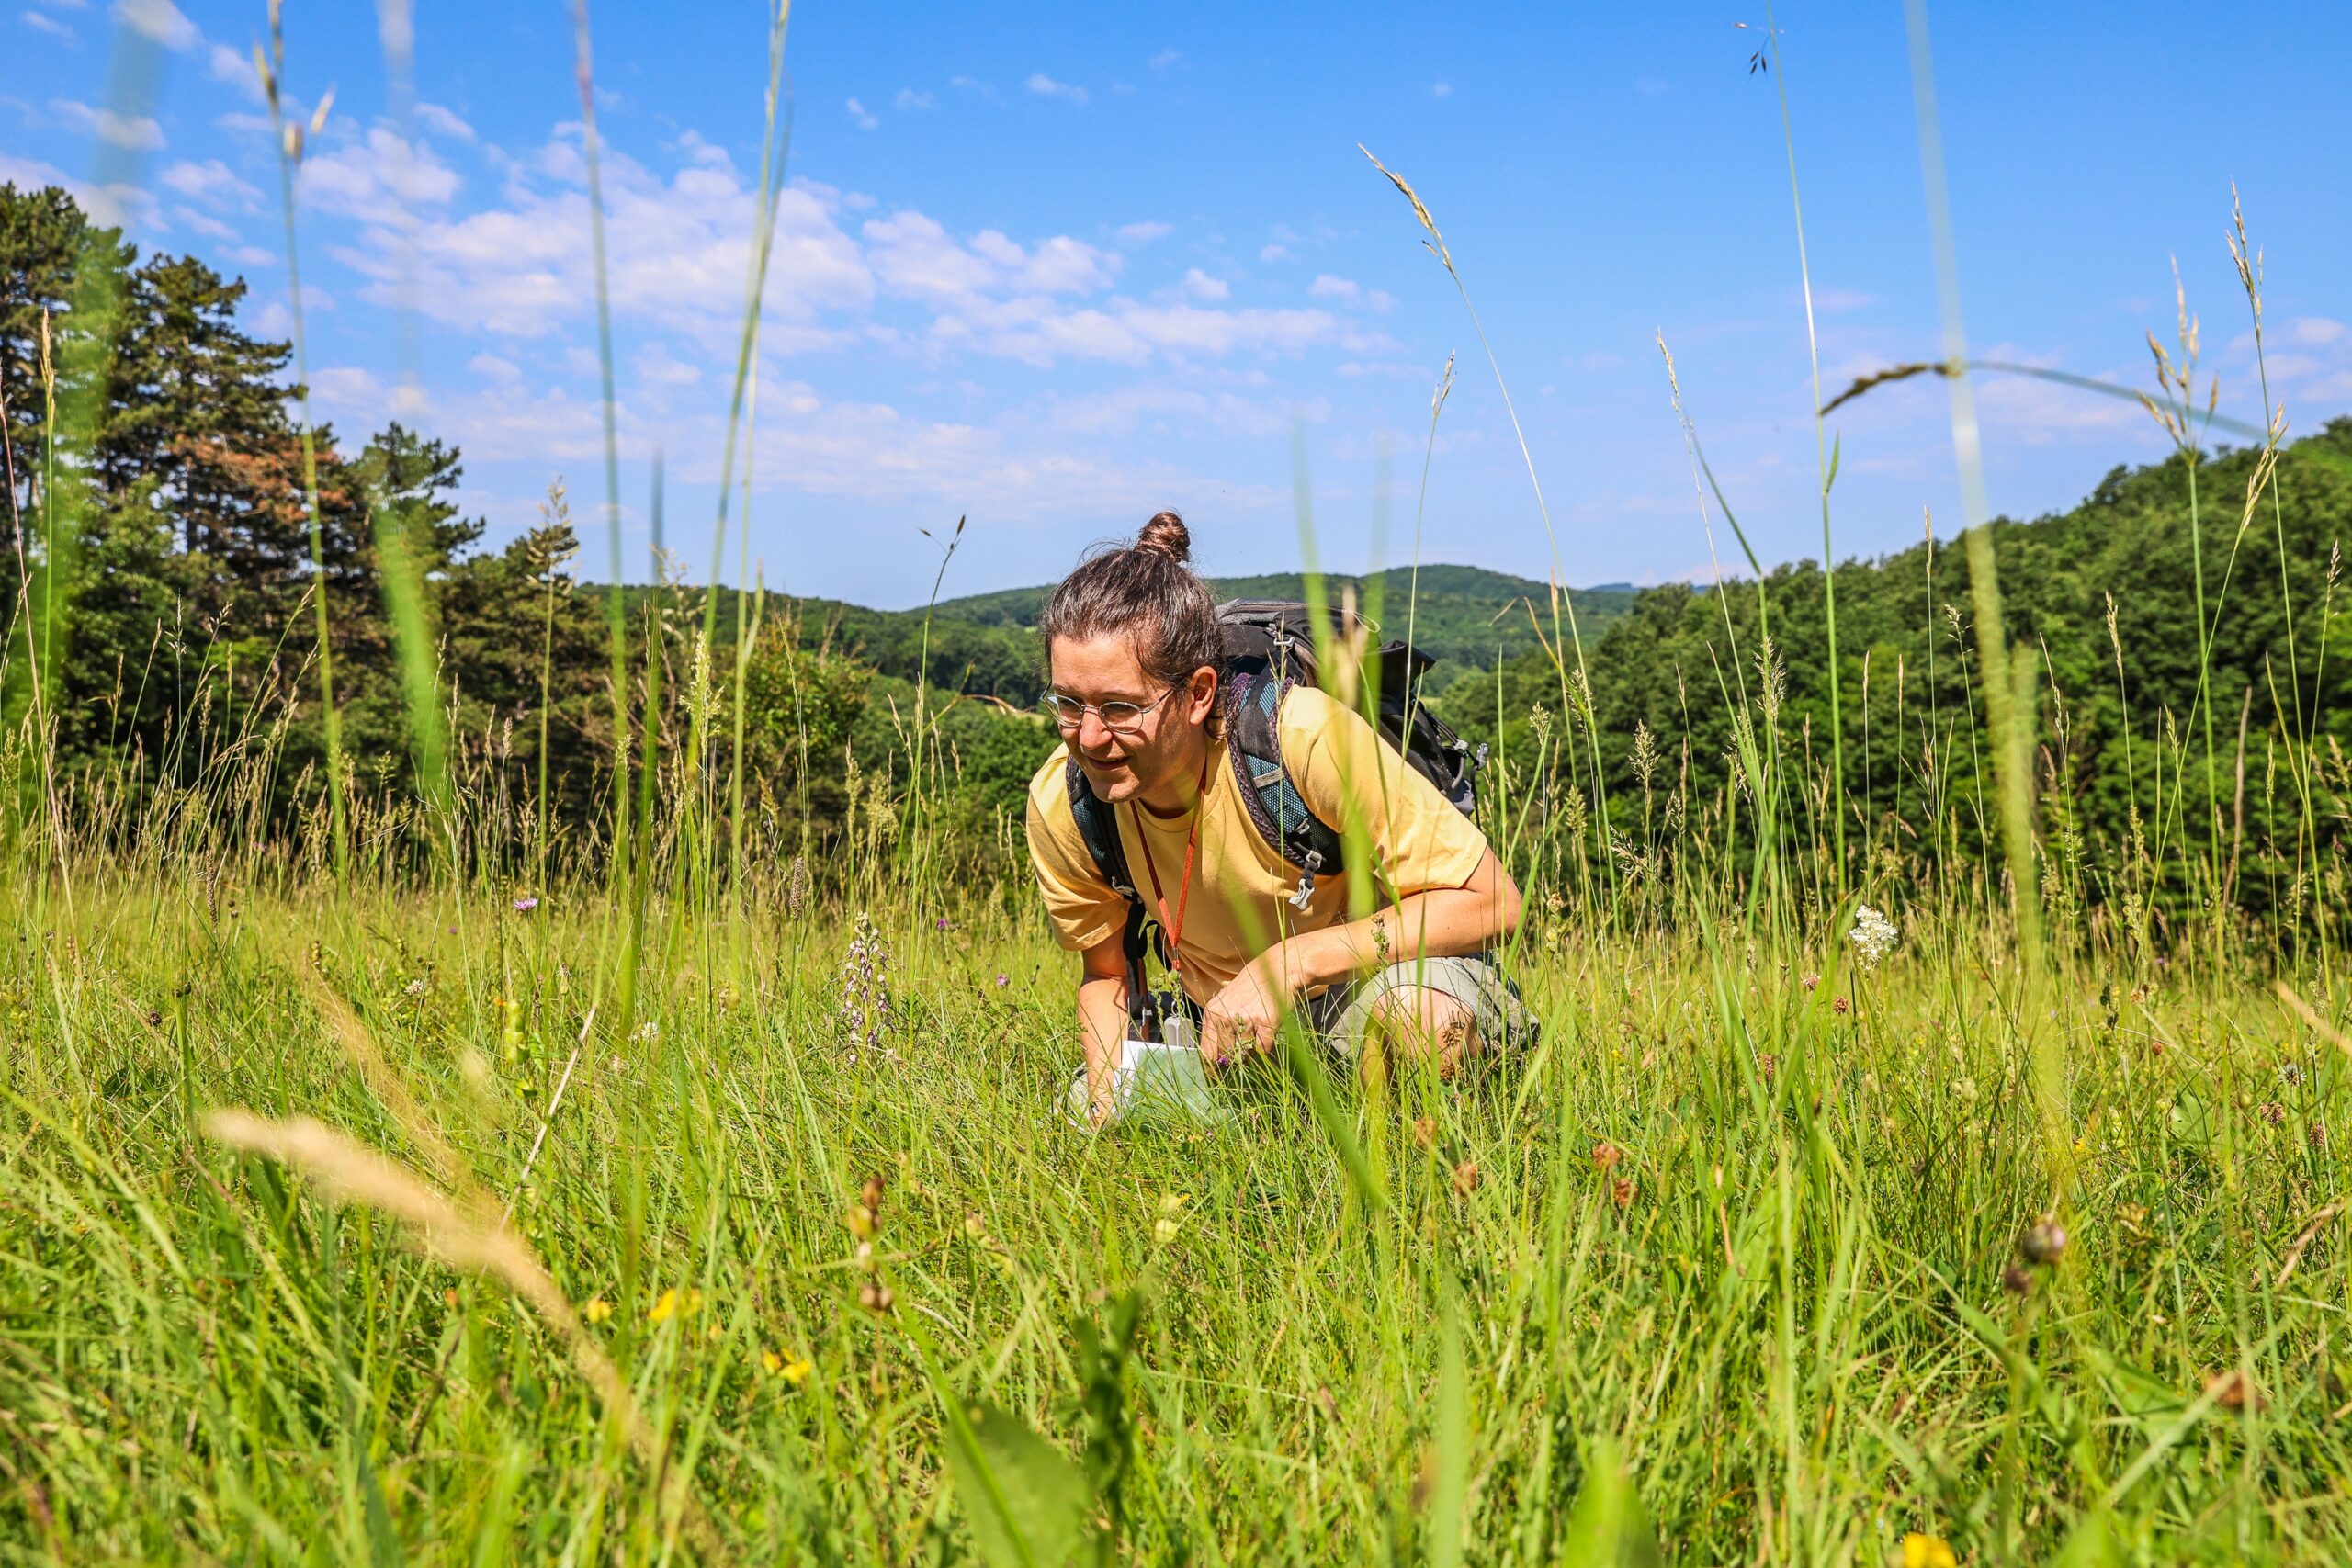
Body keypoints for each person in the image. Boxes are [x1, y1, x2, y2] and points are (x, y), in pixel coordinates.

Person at [1024, 511, 1532, 1124]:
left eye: (1121, 707)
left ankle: (1425, 1183)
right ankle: (1273, 1126)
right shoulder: (1065, 798)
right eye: (1069, 704)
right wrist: (1111, 1093)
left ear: (1200, 692)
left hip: (1368, 990)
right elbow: (1104, 974)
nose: (1092, 737)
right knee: (1085, 1108)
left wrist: (1290, 964)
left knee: (1425, 1025)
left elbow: (1493, 901)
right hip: (1224, 1033)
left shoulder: (1301, 736)